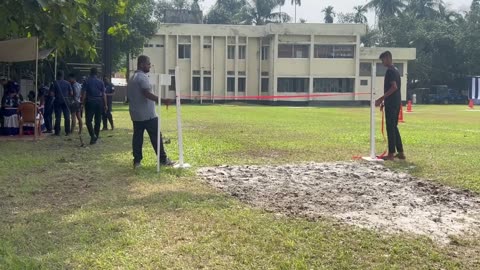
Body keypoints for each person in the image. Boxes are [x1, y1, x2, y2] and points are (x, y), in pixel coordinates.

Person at [127, 55, 173, 168]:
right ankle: (163, 160)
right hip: (148, 115)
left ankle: (137, 161)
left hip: (136, 113)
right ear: (142, 64)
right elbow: (146, 93)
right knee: (157, 136)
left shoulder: (132, 77)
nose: (149, 66)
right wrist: (163, 100)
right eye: (148, 64)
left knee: (137, 138)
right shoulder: (142, 77)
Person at [375, 51, 405, 161]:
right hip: (395, 102)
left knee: (390, 128)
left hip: (392, 104)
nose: (382, 62)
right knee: (394, 127)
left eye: (383, 60)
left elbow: (394, 87)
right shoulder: (396, 70)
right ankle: (400, 152)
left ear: (388, 58)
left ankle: (391, 153)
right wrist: (384, 102)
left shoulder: (390, 71)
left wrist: (380, 99)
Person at [81, 68, 107, 145]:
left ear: (90, 73)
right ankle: (95, 136)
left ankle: (93, 135)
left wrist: (82, 103)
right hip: (99, 102)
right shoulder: (101, 82)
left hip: (90, 102)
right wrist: (105, 104)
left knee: (88, 121)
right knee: (98, 120)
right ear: (97, 73)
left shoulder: (86, 81)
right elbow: (104, 94)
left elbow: (84, 93)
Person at [50, 71, 72, 136]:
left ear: (57, 75)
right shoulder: (68, 83)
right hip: (66, 100)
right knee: (67, 116)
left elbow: (51, 94)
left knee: (58, 117)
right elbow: (71, 93)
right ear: (63, 75)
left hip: (57, 100)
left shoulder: (54, 83)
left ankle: (57, 132)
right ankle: (67, 131)